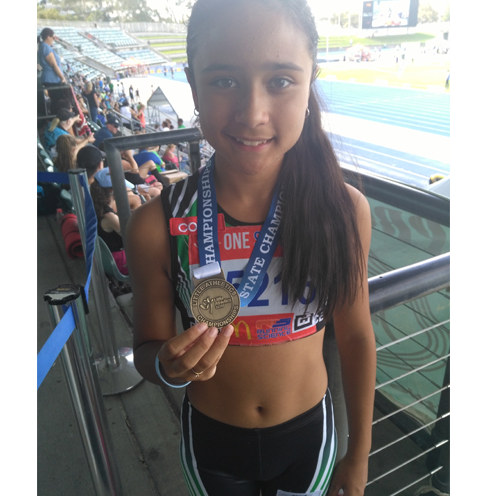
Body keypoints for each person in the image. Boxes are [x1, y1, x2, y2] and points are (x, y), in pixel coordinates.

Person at [124, 1, 375, 495]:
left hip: (309, 438)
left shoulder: (343, 211)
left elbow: (356, 339)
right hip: (212, 441)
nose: (252, 114)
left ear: (309, 83)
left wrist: (358, 455)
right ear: (193, 86)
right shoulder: (156, 225)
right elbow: (147, 348)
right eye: (224, 81)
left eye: (280, 80)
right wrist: (167, 367)